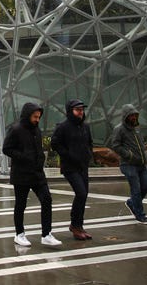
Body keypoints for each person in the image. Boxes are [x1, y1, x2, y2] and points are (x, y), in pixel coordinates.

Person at [2, 102, 62, 247]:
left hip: (37, 173)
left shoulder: (36, 130)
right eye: (35, 116)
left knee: (46, 199)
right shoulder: (16, 129)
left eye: (39, 117)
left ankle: (46, 234)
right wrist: (23, 156)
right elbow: (6, 148)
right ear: (28, 115)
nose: (37, 119)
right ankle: (19, 234)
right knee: (21, 205)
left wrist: (40, 159)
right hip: (21, 174)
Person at [51, 99, 93, 240]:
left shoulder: (85, 126)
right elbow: (55, 143)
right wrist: (68, 155)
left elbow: (89, 143)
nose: (80, 112)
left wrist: (88, 155)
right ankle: (75, 225)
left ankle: (79, 226)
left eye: (82, 109)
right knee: (81, 193)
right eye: (77, 109)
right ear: (70, 111)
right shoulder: (63, 127)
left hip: (83, 166)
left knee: (84, 194)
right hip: (70, 167)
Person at [110, 103, 147, 224]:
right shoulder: (119, 129)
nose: (134, 117)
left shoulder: (136, 129)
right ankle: (140, 215)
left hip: (141, 164)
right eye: (131, 115)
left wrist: (145, 150)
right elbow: (115, 145)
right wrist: (129, 155)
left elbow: (138, 145)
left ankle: (131, 203)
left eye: (135, 115)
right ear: (125, 116)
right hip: (128, 164)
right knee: (136, 189)